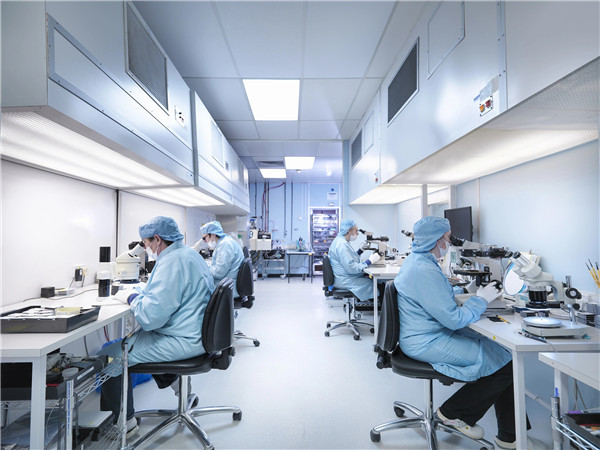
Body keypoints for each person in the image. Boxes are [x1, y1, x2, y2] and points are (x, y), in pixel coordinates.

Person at [394, 216, 531, 449]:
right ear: (437, 240)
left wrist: (465, 290)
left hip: (425, 333)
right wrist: (480, 300)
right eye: (448, 238)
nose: (450, 243)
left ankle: (511, 437)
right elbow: (454, 320)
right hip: (426, 341)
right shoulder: (423, 269)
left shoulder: (419, 261)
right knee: (505, 364)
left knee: (504, 357)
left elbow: (436, 296)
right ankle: (454, 413)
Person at [100, 216, 215, 436]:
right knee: (141, 340)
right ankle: (180, 390)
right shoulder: (187, 254)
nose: (147, 249)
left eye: (146, 244)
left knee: (110, 355)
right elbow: (166, 294)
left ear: (157, 239)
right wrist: (142, 294)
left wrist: (132, 299)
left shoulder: (171, 262)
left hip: (183, 340)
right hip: (194, 333)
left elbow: (152, 317)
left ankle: (125, 425)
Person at [328, 219, 381, 301]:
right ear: (349, 230)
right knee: (371, 283)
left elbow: (348, 258)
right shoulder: (342, 245)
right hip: (345, 280)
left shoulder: (340, 240)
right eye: (356, 231)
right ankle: (377, 305)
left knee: (370, 280)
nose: (357, 233)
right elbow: (352, 268)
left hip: (342, 277)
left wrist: (360, 250)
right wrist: (369, 261)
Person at [200, 221, 244, 298]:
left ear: (213, 235)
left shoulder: (225, 245)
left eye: (204, 238)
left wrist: (205, 266)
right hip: (231, 283)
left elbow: (218, 273)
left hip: (229, 287)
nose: (205, 241)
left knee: (199, 290)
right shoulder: (226, 242)